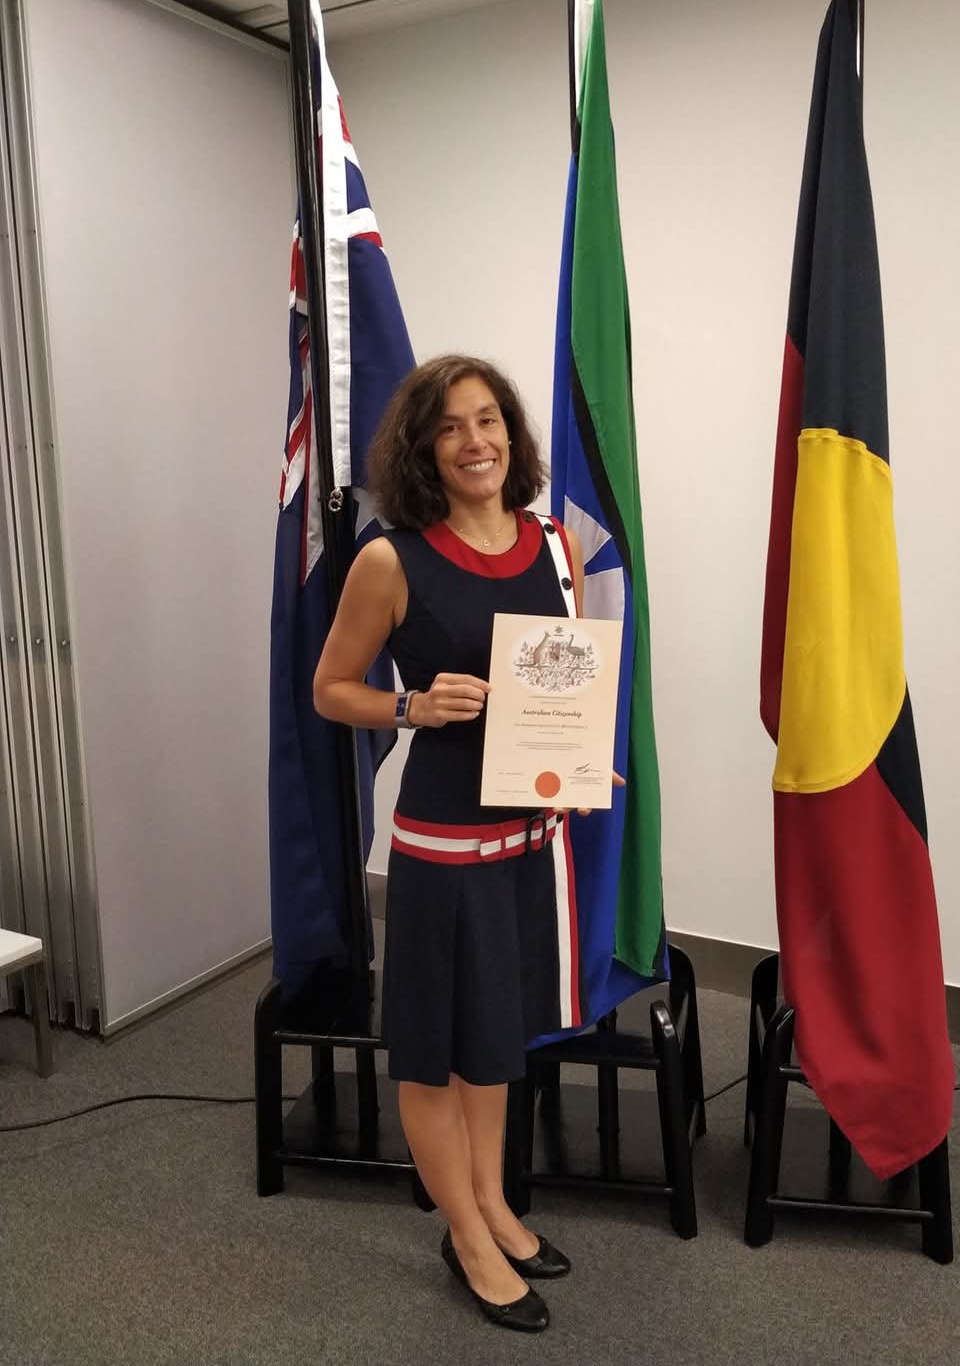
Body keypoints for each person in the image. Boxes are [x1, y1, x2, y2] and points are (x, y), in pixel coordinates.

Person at [313, 354, 593, 1334]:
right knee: (433, 1053)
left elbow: (559, 685)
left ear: (510, 433)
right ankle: (466, 1234)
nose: (475, 442)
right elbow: (330, 689)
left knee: (494, 1040)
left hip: (525, 839)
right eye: (450, 427)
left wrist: (582, 764)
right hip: (440, 847)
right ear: (423, 448)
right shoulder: (391, 560)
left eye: (488, 420)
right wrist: (412, 707)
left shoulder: (554, 544)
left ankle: (494, 1204)